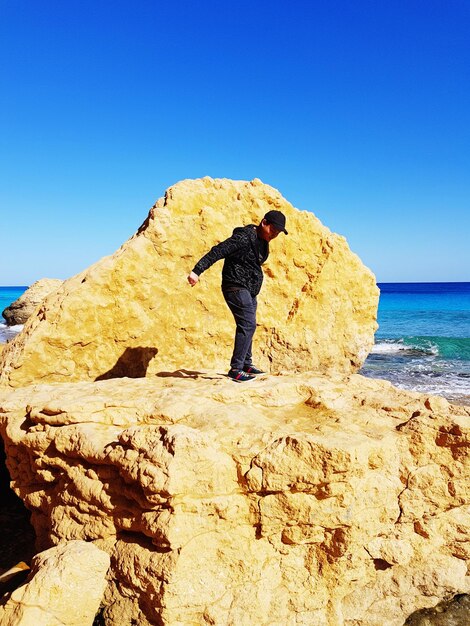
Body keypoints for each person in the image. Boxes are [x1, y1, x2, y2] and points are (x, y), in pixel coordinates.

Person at [187, 209, 288, 382]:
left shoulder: (263, 241)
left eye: (278, 233)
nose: (274, 235)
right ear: (264, 223)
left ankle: (247, 363)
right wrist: (197, 271)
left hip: (249, 290)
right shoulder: (243, 238)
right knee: (248, 324)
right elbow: (218, 251)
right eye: (273, 230)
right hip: (235, 286)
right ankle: (236, 369)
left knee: (248, 325)